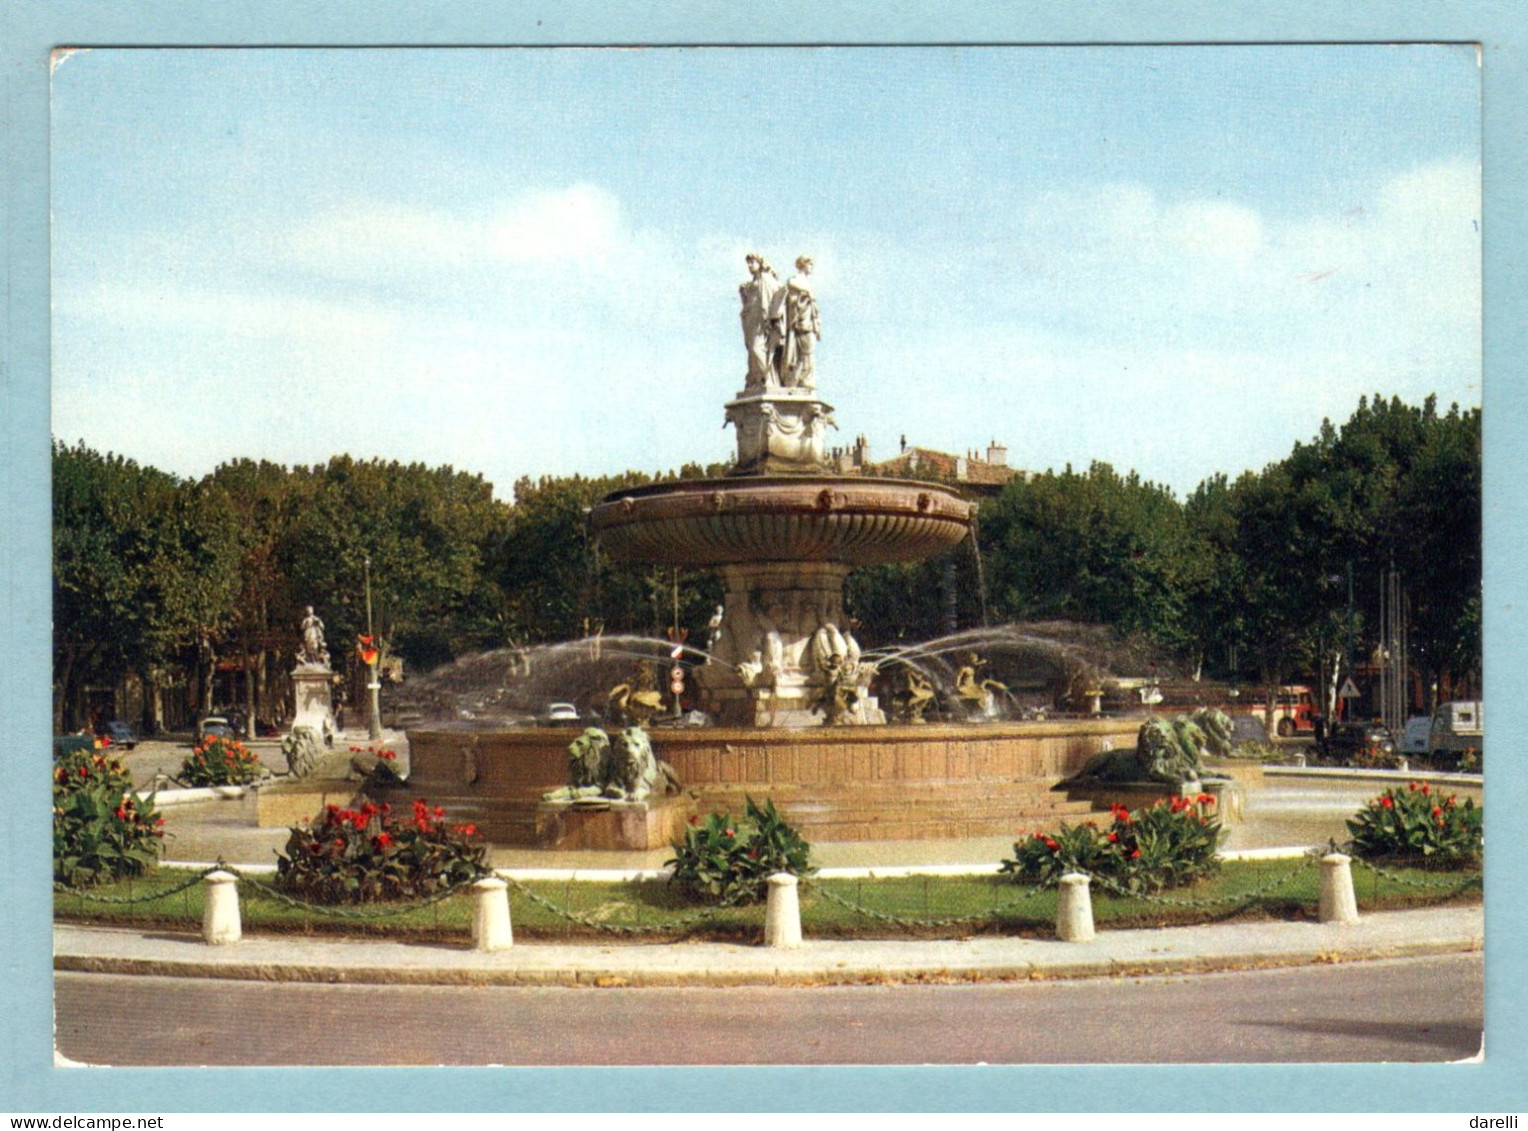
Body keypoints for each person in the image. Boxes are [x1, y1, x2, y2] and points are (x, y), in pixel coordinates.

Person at [774, 256, 820, 390]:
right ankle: (798, 380)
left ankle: (801, 379)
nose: (811, 266)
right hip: (801, 323)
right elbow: (791, 283)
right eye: (809, 264)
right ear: (802, 265)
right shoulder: (796, 280)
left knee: (807, 352)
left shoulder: (806, 282)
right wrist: (807, 292)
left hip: (808, 322)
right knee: (805, 351)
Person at [738, 253, 781, 390]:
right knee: (752, 350)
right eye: (748, 263)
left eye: (752, 262)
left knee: (758, 349)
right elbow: (748, 301)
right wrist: (744, 291)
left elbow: (778, 292)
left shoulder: (765, 278)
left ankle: (766, 377)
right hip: (751, 319)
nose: (750, 266)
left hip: (761, 320)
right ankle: (757, 380)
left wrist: (770, 317)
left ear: (760, 263)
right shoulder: (753, 282)